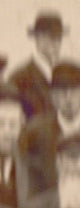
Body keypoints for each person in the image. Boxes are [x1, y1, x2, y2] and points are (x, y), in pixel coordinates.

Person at [20, 62, 80, 198]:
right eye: (62, 92)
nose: (69, 98)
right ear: (52, 96)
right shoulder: (34, 132)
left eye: (75, 90)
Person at [8, 11, 66, 120]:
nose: (55, 43)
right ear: (37, 39)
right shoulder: (20, 76)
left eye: (59, 38)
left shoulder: (66, 74)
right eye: (50, 37)